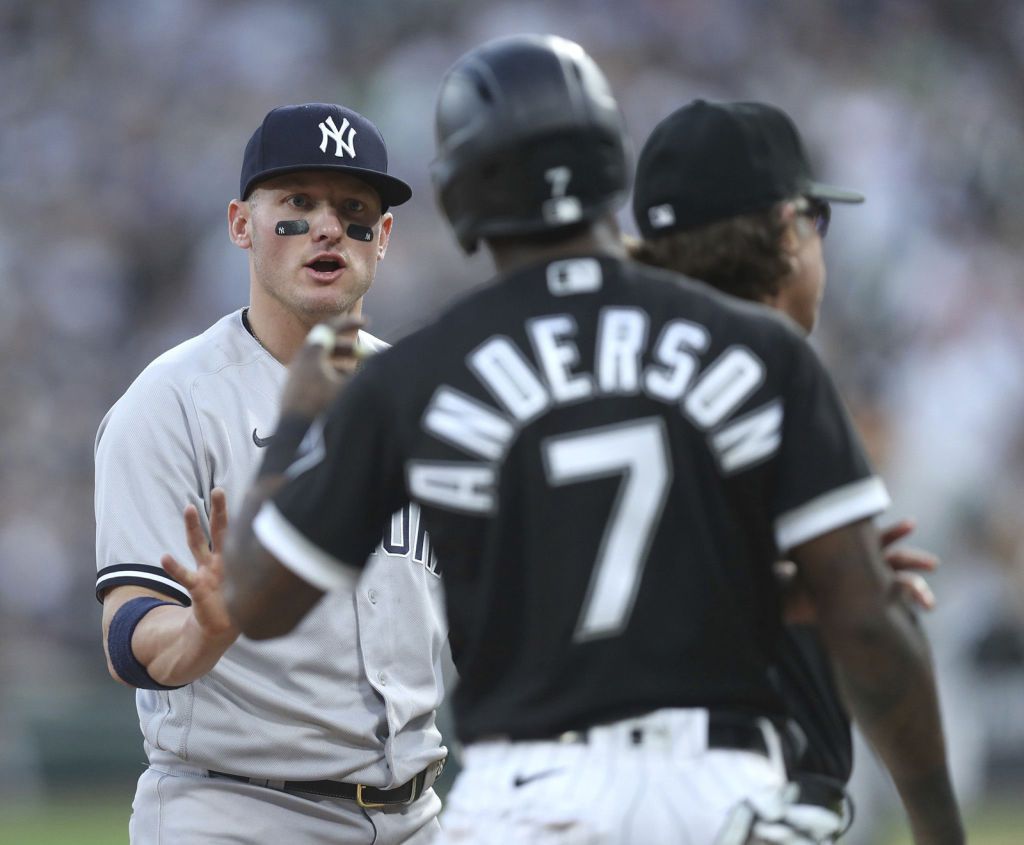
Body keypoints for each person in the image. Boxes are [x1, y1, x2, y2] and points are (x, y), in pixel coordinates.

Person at [222, 35, 963, 845]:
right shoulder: (759, 346)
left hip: (528, 793)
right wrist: (939, 827)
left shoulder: (415, 377)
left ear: (462, 192)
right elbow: (866, 619)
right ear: (611, 164)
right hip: (721, 787)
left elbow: (257, 601)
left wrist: (297, 419)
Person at [94, 102, 447, 844]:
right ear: (240, 225)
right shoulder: (171, 402)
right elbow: (129, 632)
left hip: (420, 817)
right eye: (297, 204)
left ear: (381, 240)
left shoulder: (424, 400)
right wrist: (201, 629)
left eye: (354, 211)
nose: (327, 228)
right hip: (236, 813)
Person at [629, 98, 940, 837]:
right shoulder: (774, 374)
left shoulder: (603, 384)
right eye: (816, 221)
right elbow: (870, 632)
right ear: (785, 231)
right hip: (749, 788)